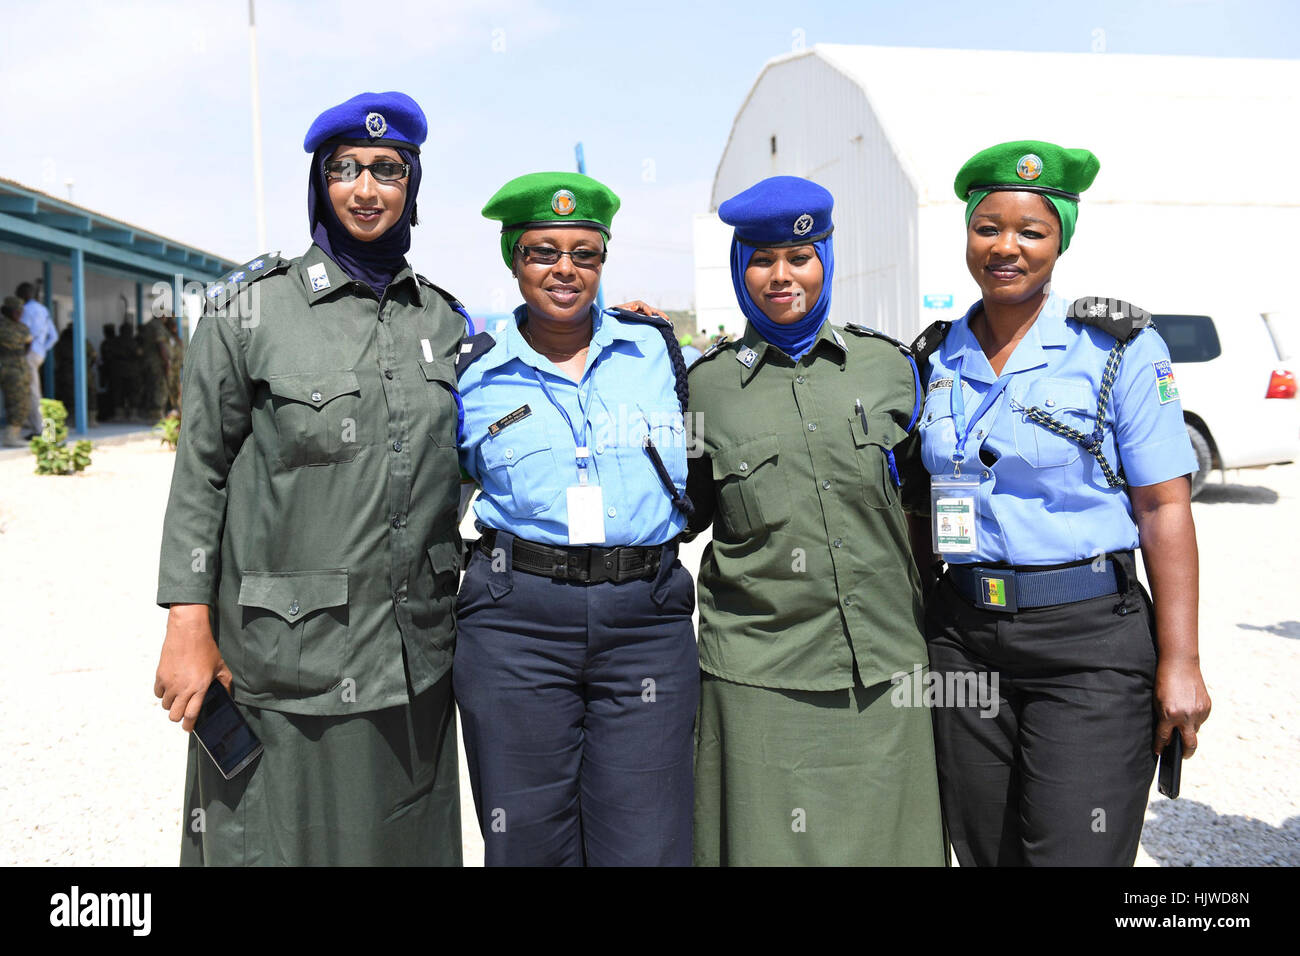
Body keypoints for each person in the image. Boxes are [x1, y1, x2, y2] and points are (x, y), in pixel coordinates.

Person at [153, 91, 468, 866]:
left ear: (412, 186)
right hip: (284, 659)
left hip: (411, 656)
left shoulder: (447, 324)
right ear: (320, 184)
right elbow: (200, 477)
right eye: (346, 169)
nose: (367, 188)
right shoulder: (248, 315)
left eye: (388, 170)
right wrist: (186, 624)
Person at [905, 140, 1212, 866]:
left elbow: (1165, 509)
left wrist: (1182, 661)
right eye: (987, 228)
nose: (1004, 247)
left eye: (1030, 231)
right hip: (965, 640)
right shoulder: (932, 358)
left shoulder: (1116, 348)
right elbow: (918, 507)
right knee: (984, 851)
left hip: (1089, 646)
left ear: (1059, 241)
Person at [684, 175, 946, 866]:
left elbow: (926, 504)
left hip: (887, 673)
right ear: (741, 270)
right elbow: (677, 514)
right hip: (760, 679)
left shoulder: (891, 368)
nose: (782, 276)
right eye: (762, 259)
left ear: (826, 259)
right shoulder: (702, 388)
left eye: (799, 256)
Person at [455, 171, 698, 866]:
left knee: (647, 842)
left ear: (602, 261)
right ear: (513, 260)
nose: (565, 268)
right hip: (516, 626)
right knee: (527, 842)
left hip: (644, 624)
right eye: (542, 251)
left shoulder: (658, 351)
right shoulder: (472, 372)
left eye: (584, 253)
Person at [16, 282, 56, 438]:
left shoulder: (27, 310)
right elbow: (54, 336)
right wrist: (42, 350)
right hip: (39, 355)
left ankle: (43, 431)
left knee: (33, 393)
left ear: (24, 295)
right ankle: (45, 429)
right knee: (35, 391)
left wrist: (29, 351)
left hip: (29, 354)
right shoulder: (44, 310)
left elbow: (25, 334)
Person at [1, 296, 33, 446]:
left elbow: (28, 346)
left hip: (19, 368)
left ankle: (12, 436)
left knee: (20, 401)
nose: (19, 314)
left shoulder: (23, 327)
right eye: (16, 311)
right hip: (6, 366)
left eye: (20, 311)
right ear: (7, 310)